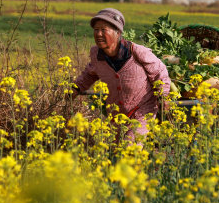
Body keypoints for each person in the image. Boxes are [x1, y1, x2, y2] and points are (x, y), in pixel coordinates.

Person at [74, 8, 172, 142]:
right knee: (115, 152)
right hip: (116, 114)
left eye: (104, 30)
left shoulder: (136, 51)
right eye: (96, 30)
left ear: (118, 32)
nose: (98, 34)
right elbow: (90, 74)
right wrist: (75, 88)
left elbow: (159, 72)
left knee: (130, 149)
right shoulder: (97, 55)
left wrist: (163, 96)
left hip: (142, 110)